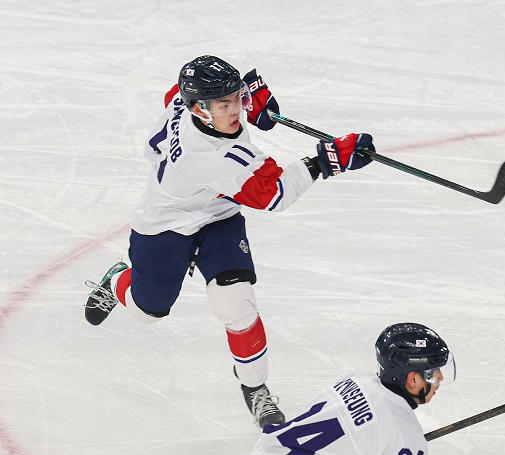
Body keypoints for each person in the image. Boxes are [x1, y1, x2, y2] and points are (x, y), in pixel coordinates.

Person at [83, 55, 375, 429]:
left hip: (217, 215)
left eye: (236, 98)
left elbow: (176, 92)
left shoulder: (187, 100)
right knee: (147, 312)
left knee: (238, 306)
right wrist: (328, 160)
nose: (234, 109)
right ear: (200, 109)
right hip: (164, 226)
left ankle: (255, 389)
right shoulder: (210, 157)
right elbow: (275, 194)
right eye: (225, 105)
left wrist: (254, 104)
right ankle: (117, 279)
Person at [241, 322, 456, 455]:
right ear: (412, 379)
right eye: (434, 372)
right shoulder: (406, 437)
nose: (440, 378)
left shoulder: (356, 380)